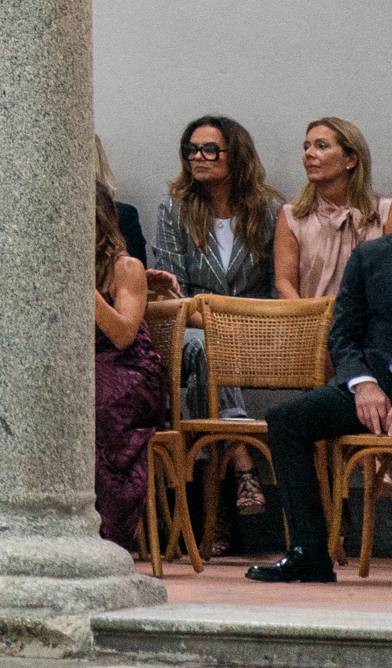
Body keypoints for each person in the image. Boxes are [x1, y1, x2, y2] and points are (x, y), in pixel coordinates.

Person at [153, 114, 281, 528]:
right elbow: (176, 290)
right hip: (193, 330)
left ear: (236, 155)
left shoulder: (271, 211)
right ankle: (244, 461)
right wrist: (215, 325)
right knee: (208, 348)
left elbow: (276, 288)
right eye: (191, 150)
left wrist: (236, 323)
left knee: (210, 360)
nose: (198, 158)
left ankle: (217, 516)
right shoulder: (175, 211)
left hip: (257, 328)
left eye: (209, 149)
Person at [246, 230, 392, 583]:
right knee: (286, 421)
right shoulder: (369, 257)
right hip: (372, 387)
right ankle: (308, 553)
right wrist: (363, 383)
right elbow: (342, 335)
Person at [92, 184, 166, 553]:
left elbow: (122, 334)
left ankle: (111, 529)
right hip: (84, 367)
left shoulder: (127, 267)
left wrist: (83, 289)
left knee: (93, 403)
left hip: (129, 371)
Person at [276, 117, 388, 302]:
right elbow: (284, 283)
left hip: (369, 328)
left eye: (321, 146)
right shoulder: (293, 215)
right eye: (306, 147)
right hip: (308, 325)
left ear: (351, 159)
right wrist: (309, 323)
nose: (309, 154)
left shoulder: (384, 212)